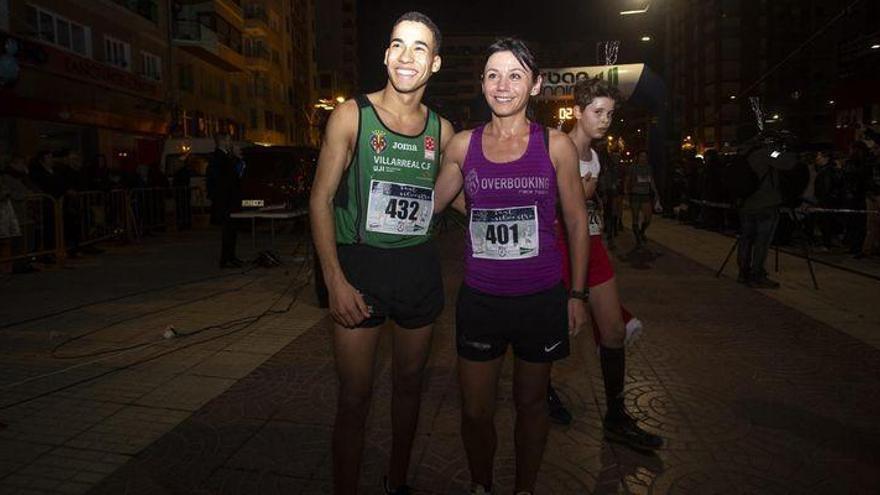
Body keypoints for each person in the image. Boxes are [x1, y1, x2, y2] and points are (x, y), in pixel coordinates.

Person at [432, 37, 589, 495]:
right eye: (494, 75)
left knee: (531, 405)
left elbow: (577, 222)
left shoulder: (556, 145)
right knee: (476, 411)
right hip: (480, 300)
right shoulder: (463, 146)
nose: (503, 85)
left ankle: (524, 488)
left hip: (541, 299)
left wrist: (577, 295)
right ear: (482, 83)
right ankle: (482, 485)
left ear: (535, 85)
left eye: (515, 75)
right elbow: (434, 203)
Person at [308, 12, 454, 495]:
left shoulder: (444, 131)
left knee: (409, 388)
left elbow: (466, 200)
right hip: (360, 269)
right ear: (386, 54)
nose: (406, 56)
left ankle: (398, 479)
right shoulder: (352, 115)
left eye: (419, 48)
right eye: (397, 44)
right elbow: (320, 200)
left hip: (418, 271)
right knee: (355, 397)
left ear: (434, 64)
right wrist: (334, 280)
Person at [547, 77, 661, 452]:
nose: (606, 119)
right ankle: (541, 393)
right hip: (556, 248)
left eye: (610, 113)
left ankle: (616, 417)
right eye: (598, 112)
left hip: (591, 247)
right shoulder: (553, 146)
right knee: (551, 335)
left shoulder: (595, 155)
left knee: (613, 332)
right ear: (577, 112)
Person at [736, 135, 797, 288]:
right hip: (765, 204)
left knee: (745, 239)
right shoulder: (767, 153)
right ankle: (757, 274)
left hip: (745, 204)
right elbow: (788, 163)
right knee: (762, 242)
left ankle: (743, 272)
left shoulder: (742, 153)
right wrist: (786, 148)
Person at [207, 133, 243, 268]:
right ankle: (226, 259)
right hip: (225, 201)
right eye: (229, 140)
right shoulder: (218, 157)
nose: (231, 142)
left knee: (232, 231)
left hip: (229, 200)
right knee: (228, 231)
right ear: (222, 141)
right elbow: (218, 180)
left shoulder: (225, 156)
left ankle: (231, 257)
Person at [626, 150, 659, 247]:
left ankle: (641, 231)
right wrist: (626, 191)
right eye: (642, 156)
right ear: (638, 157)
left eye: (645, 157)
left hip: (645, 194)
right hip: (635, 194)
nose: (643, 159)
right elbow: (627, 179)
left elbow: (651, 180)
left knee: (648, 217)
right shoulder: (632, 168)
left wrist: (655, 191)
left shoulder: (648, 168)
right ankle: (637, 237)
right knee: (635, 217)